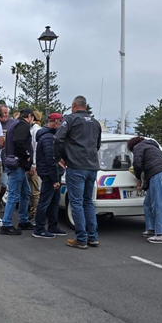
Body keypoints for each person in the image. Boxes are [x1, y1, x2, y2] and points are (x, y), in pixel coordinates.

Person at [55, 95, 102, 249]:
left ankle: (81, 238)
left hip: (76, 166)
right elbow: (97, 144)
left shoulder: (70, 119)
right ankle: (93, 236)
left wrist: (59, 157)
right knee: (87, 201)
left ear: (74, 105)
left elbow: (58, 139)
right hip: (92, 166)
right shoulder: (95, 122)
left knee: (76, 202)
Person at [129, 136, 162, 243]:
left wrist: (138, 178)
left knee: (158, 204)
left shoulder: (138, 147)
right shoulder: (152, 147)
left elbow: (137, 164)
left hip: (158, 175)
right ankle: (152, 228)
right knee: (148, 203)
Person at [0, 108, 36, 235]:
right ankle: (6, 224)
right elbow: (19, 141)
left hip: (13, 162)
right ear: (29, 116)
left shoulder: (14, 123)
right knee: (14, 194)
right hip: (18, 164)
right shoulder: (23, 125)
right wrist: (27, 155)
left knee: (25, 192)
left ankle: (23, 220)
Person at [33, 113, 68, 239]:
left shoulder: (49, 136)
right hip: (49, 174)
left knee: (54, 201)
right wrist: (55, 179)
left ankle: (52, 226)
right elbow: (51, 159)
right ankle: (39, 228)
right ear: (56, 122)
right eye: (60, 122)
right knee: (45, 201)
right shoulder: (48, 138)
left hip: (53, 173)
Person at [27, 110, 43, 222]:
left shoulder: (35, 130)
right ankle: (33, 211)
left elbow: (36, 148)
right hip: (33, 163)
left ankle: (35, 213)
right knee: (32, 190)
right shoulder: (34, 129)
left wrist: (33, 164)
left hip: (34, 164)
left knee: (35, 191)